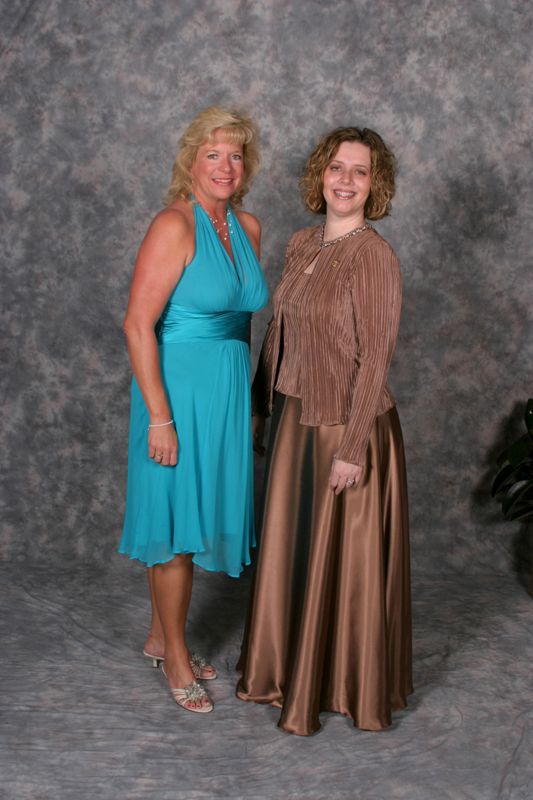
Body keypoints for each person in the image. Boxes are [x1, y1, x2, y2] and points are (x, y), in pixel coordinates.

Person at [236, 126, 412, 735]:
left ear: (375, 185)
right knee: (293, 552)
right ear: (321, 175)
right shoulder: (303, 242)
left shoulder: (375, 256)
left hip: (346, 428)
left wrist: (353, 447)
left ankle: (337, 683)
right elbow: (279, 334)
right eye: (337, 168)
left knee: (340, 563)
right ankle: (284, 669)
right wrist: (260, 410)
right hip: (295, 423)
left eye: (360, 172)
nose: (345, 180)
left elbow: (375, 359)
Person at [119, 106, 268, 713]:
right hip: (175, 394)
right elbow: (136, 324)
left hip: (227, 393)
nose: (225, 166)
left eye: (235, 155)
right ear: (191, 162)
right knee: (174, 528)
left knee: (198, 516)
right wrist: (159, 414)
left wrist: (254, 402)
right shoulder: (173, 225)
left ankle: (162, 636)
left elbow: (245, 325)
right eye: (213, 154)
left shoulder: (250, 227)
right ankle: (176, 659)